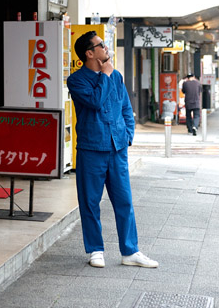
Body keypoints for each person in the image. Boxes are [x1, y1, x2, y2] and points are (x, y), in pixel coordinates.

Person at [66, 30, 158, 269]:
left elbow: (126, 108)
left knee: (124, 201)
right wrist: (105, 75)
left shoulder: (116, 76)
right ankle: (95, 249)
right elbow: (96, 102)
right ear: (89, 52)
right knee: (90, 202)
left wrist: (128, 134)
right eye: (101, 45)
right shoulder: (76, 80)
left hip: (117, 147)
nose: (106, 48)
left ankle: (130, 251)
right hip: (91, 148)